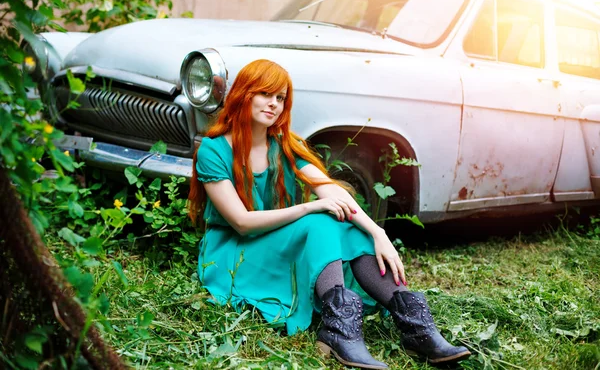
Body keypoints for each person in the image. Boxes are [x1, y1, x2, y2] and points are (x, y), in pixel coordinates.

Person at [188, 59, 470, 369]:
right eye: (265, 94)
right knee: (321, 219)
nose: (274, 104)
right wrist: (310, 206)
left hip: (273, 240)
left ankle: (414, 325)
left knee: (347, 222)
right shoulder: (214, 150)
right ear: (244, 93)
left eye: (280, 98)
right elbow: (241, 223)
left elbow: (331, 192)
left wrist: (377, 232)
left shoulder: (282, 145)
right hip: (234, 252)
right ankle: (338, 328)